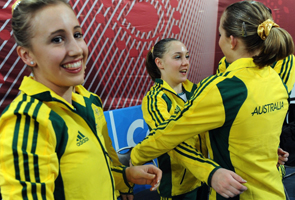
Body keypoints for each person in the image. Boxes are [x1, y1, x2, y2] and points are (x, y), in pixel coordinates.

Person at [131, 1, 294, 200]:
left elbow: (170, 133)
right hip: (273, 190)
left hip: (236, 191)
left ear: (232, 40)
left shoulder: (221, 87)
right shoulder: (274, 78)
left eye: (220, 35)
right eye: (177, 57)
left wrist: (136, 155)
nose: (185, 62)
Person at [0, 0, 162, 199]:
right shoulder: (28, 122)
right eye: (57, 39)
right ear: (27, 55)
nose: (77, 49)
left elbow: (88, 173)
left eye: (77, 35)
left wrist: (125, 178)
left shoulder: (88, 100)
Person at [140, 38, 217, 199]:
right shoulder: (155, 100)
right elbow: (171, 142)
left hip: (204, 181)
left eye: (187, 56)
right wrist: (209, 171)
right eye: (177, 57)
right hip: (179, 189)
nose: (185, 63)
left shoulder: (197, 91)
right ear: (159, 63)